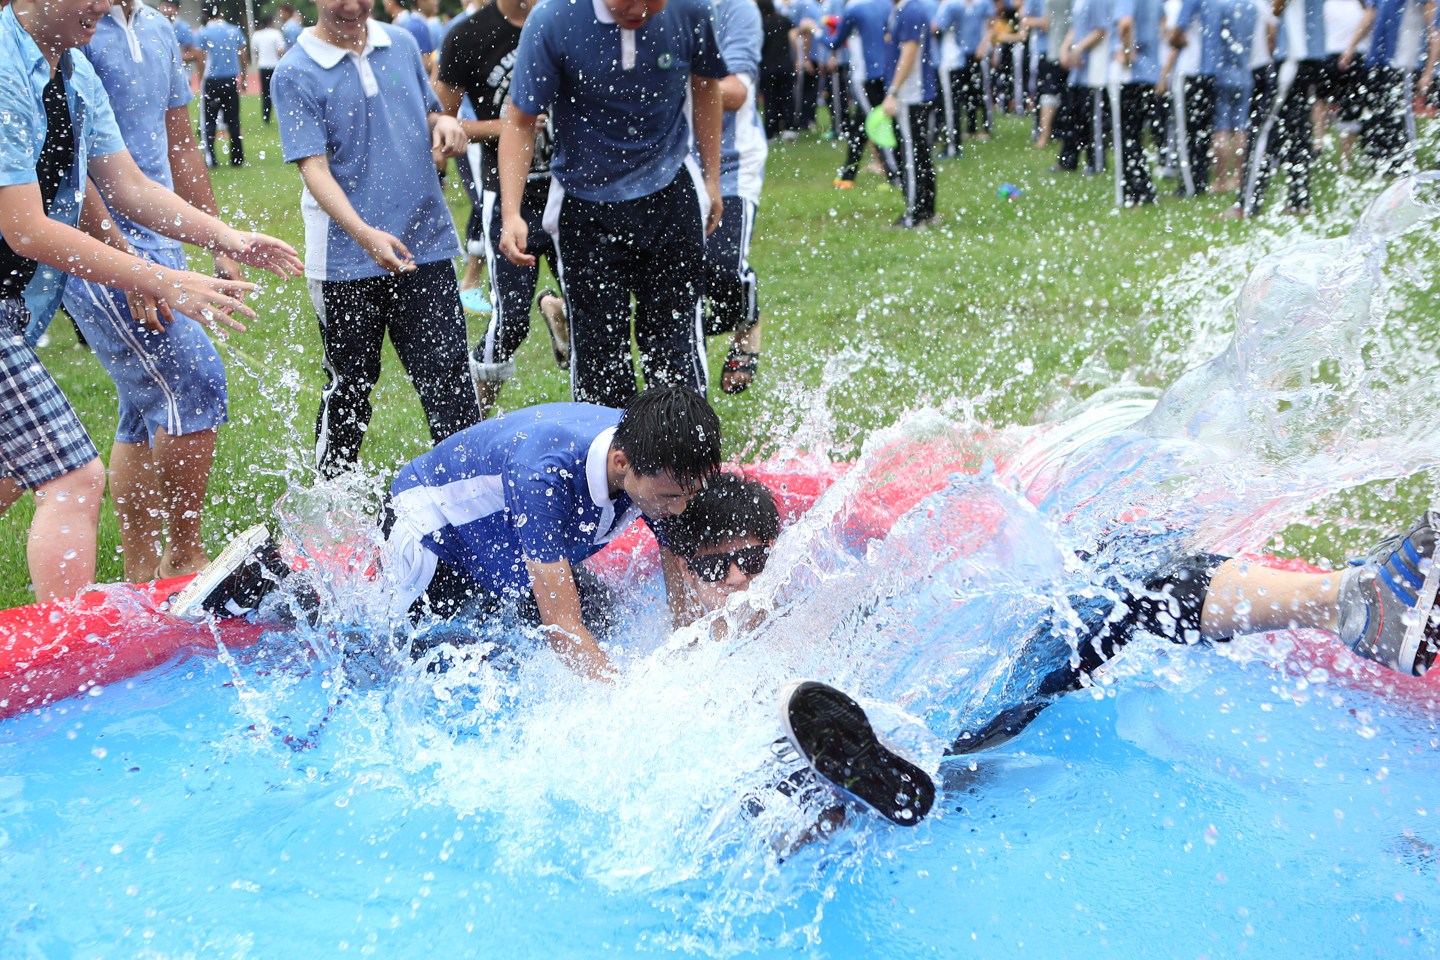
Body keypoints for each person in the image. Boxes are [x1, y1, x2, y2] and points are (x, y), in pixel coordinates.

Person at [779, 510, 1440, 825]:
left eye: (752, 558)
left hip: (956, 691)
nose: (744, 575)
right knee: (1135, 583)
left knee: (1127, 566)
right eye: (729, 563)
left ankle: (872, 782)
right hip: (977, 699)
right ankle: (1357, 609)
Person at [0, 0, 302, 602]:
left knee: (16, 473)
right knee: (72, 476)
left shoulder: (73, 71)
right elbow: (26, 227)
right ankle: (69, 662)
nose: (105, 5)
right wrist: (159, 279)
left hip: (15, 306)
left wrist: (226, 236)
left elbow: (128, 184)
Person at [173, 386, 724, 682]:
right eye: (670, 498)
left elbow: (675, 558)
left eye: (687, 496)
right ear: (624, 463)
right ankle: (268, 584)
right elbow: (563, 628)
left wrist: (689, 655)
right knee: (377, 662)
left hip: (500, 547)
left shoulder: (660, 454)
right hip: (433, 537)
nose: (676, 511)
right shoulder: (546, 474)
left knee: (604, 621)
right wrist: (630, 703)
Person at [60, 0, 250, 583]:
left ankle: (144, 575)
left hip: (158, 239)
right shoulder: (74, 25)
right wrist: (127, 262)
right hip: (91, 246)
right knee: (195, 380)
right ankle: (184, 557)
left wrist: (219, 240)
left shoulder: (158, 27)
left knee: (144, 409)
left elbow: (181, 144)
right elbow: (71, 157)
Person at [270, 0, 480, 479]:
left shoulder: (401, 43)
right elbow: (314, 169)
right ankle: (329, 505)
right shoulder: (295, 71)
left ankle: (471, 497)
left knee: (449, 381)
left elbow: (426, 112)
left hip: (423, 246)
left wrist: (443, 122)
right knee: (349, 389)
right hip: (345, 260)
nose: (351, 6)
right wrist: (364, 235)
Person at [496, 0, 728, 409]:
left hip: (670, 191)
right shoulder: (553, 18)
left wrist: (711, 178)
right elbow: (520, 119)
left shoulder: (690, 10)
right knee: (600, 354)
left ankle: (684, 463)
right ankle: (608, 466)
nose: (637, 9)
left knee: (675, 346)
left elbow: (706, 85)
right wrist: (512, 212)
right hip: (585, 205)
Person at [432, 0, 569, 418]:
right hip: (507, 197)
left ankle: (599, 436)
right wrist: (510, 124)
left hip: (573, 192)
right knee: (509, 322)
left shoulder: (565, 18)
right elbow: (439, 120)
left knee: (592, 314)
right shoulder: (468, 35)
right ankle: (471, 425)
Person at [703, 0, 770, 395]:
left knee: (721, 266)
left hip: (732, 162)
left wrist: (669, 77)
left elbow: (736, 92)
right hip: (666, 164)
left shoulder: (735, 8)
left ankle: (748, 324)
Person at [883, 0, 941, 229]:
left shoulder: (911, 10)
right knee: (920, 152)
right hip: (914, 92)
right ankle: (926, 210)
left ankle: (914, 215)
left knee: (911, 156)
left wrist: (894, 91)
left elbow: (909, 51)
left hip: (910, 94)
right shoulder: (905, 9)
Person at [827, 0, 899, 186]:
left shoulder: (854, 8)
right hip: (885, 72)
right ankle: (848, 174)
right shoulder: (885, 5)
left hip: (864, 76)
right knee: (860, 124)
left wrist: (817, 31)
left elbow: (835, 42)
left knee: (876, 123)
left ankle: (895, 174)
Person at [195, 4, 246, 167]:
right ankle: (237, 158)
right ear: (220, 12)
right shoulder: (233, 30)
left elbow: (200, 58)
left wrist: (201, 78)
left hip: (212, 80)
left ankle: (212, 159)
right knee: (233, 120)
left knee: (209, 122)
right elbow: (242, 54)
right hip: (230, 79)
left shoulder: (203, 32)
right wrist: (243, 76)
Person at [250, 13, 285, 124]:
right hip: (275, 66)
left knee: (265, 93)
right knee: (278, 92)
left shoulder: (257, 34)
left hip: (263, 65)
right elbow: (281, 50)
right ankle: (281, 116)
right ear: (271, 22)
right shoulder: (276, 34)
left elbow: (254, 50)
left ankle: (266, 117)